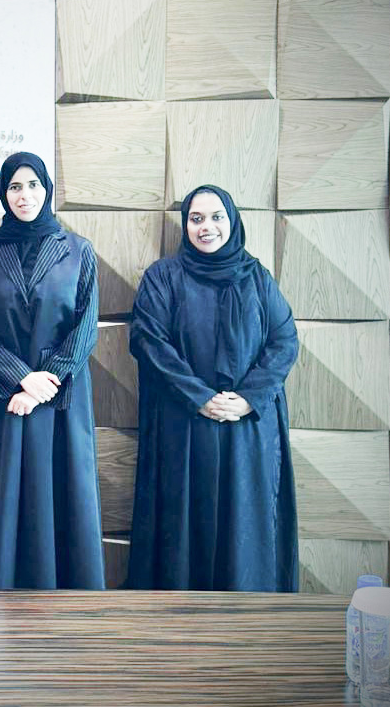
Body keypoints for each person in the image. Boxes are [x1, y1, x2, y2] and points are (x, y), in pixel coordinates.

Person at [126, 185, 299, 592]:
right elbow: (149, 342)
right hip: (184, 428)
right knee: (185, 531)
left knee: (246, 529)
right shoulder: (163, 277)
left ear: (232, 221)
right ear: (185, 225)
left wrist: (247, 399)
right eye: (196, 218)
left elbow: (284, 341)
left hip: (247, 430)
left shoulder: (257, 277)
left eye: (216, 217)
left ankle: (247, 631)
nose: (207, 227)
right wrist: (200, 398)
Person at [0, 152, 104, 590]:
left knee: (61, 489)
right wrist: (20, 376)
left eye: (34, 185)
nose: (25, 195)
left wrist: (42, 383)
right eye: (15, 187)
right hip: (0, 394)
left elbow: (86, 325)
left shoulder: (77, 250)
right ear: (3, 193)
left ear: (48, 190)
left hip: (61, 400)